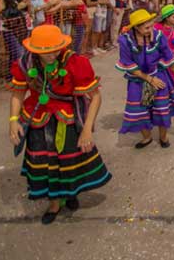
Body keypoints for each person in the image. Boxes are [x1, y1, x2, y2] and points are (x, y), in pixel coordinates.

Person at [7, 25, 111, 224]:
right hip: (38, 119)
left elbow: (95, 96)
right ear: (34, 50)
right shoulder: (25, 63)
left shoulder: (74, 62)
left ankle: (70, 193)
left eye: (55, 49)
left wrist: (87, 129)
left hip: (68, 118)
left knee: (68, 160)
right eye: (45, 52)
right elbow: (18, 93)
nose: (52, 55)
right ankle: (54, 203)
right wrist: (13, 121)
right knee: (46, 163)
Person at [116, 9, 174, 148]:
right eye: (146, 27)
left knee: (161, 107)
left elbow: (169, 57)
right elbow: (128, 64)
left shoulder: (159, 36)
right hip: (138, 79)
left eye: (151, 25)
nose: (151, 29)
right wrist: (149, 79)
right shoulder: (125, 40)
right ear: (136, 27)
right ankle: (147, 138)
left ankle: (163, 137)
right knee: (138, 109)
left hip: (159, 75)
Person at [0, 0, 30, 71]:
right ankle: (15, 73)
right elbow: (2, 13)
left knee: (15, 53)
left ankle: (13, 74)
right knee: (18, 52)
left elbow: (24, 11)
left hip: (21, 28)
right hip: (9, 29)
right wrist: (18, 7)